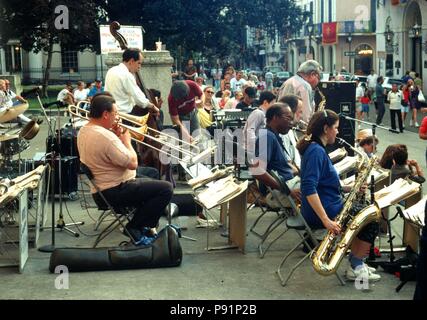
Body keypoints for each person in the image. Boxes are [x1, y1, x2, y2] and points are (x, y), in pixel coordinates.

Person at [77, 93, 173, 244]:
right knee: (166, 189)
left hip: (103, 186)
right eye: (115, 113)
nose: (117, 117)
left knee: (152, 173)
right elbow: (132, 163)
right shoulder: (105, 137)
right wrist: (126, 141)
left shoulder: (84, 130)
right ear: (105, 114)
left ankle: (148, 223)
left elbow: (109, 156)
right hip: (114, 190)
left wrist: (116, 137)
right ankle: (135, 226)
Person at [297, 109, 381, 281]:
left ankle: (356, 263)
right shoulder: (316, 151)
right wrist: (326, 220)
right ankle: (356, 265)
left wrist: (350, 188)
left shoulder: (316, 148)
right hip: (323, 212)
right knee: (372, 220)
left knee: (364, 213)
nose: (338, 131)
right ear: (326, 128)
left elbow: (323, 183)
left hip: (328, 205)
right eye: (335, 127)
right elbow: (308, 187)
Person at [250, 103, 301, 207]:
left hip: (286, 186)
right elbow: (257, 171)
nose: (292, 123)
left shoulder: (272, 135)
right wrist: (287, 191)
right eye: (288, 118)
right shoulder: (266, 136)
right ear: (275, 117)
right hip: (281, 191)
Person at [104, 48, 159, 115]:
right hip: (125, 115)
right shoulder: (127, 75)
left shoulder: (111, 70)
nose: (139, 67)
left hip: (111, 112)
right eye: (139, 63)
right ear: (131, 61)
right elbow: (139, 99)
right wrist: (152, 106)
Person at [279, 94, 303, 171]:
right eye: (300, 112)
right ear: (290, 112)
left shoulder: (290, 130)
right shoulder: (284, 133)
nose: (301, 116)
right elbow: (288, 164)